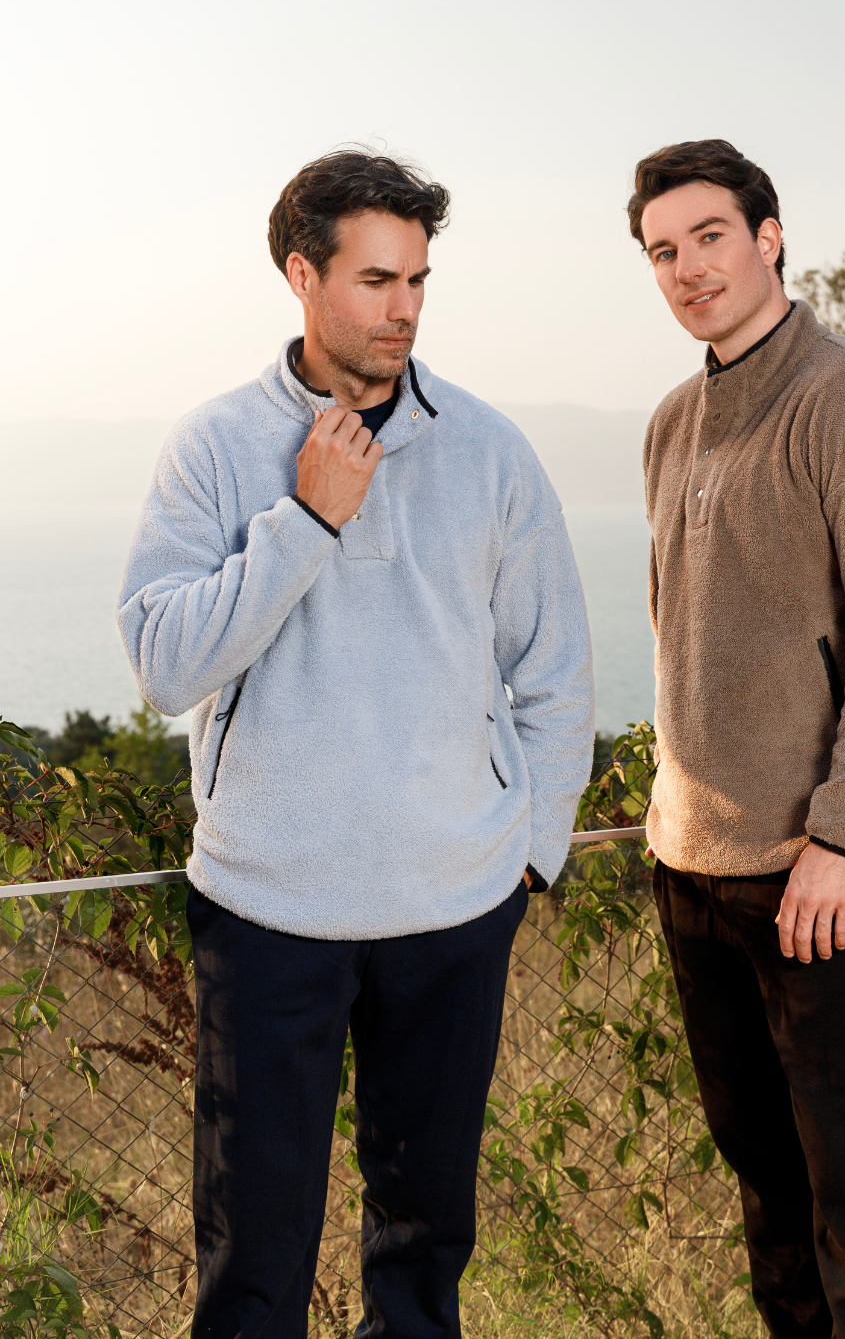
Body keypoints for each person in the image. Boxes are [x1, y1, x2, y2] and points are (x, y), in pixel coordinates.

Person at [117, 147, 594, 1339]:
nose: (404, 309)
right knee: (254, 1257)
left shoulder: (491, 450)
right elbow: (165, 665)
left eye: (418, 280)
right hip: (269, 910)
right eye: (377, 280)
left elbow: (554, 669)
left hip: (454, 909)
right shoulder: (213, 447)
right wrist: (306, 519)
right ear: (302, 275)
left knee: (424, 1252)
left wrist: (531, 852)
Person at [628, 139, 845, 1337]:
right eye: (663, 251)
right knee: (767, 1184)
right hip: (696, 864)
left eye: (709, 236)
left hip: (824, 865)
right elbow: (675, 627)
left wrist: (842, 839)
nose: (688, 269)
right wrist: (669, 819)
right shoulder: (671, 424)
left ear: (769, 238)